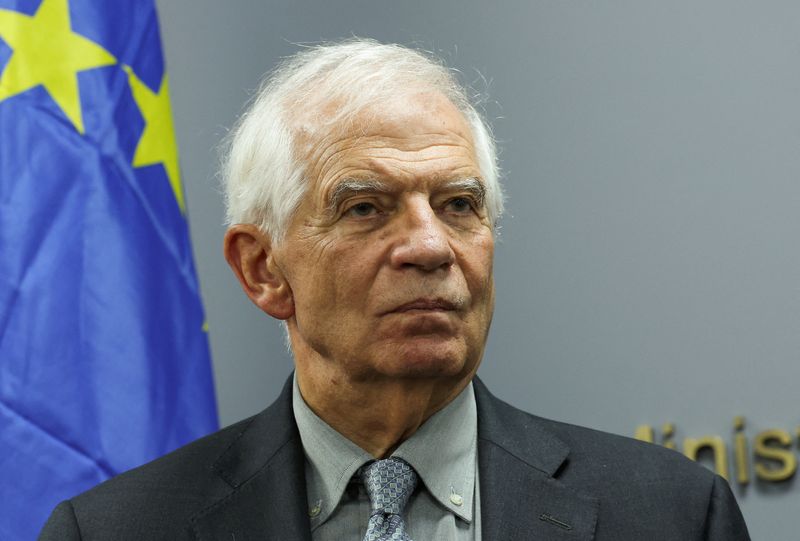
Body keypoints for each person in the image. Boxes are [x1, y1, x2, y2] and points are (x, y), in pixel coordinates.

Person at [39, 38, 750, 540]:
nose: (431, 245)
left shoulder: (674, 516)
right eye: (365, 207)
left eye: (459, 204)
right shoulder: (113, 530)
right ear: (263, 269)